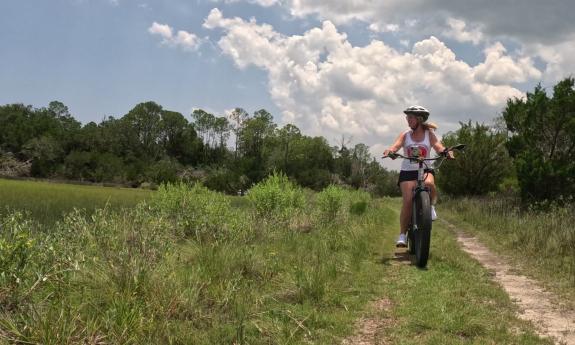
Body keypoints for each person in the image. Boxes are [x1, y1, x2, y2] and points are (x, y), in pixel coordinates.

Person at [383, 105, 454, 247]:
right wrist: (390, 151)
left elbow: (439, 147)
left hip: (425, 168)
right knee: (408, 200)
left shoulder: (429, 135)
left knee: (430, 184)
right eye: (407, 117)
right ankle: (402, 234)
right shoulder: (405, 135)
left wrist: (446, 152)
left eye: (410, 117)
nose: (407, 120)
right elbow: (395, 146)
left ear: (419, 119)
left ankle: (431, 207)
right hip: (407, 171)